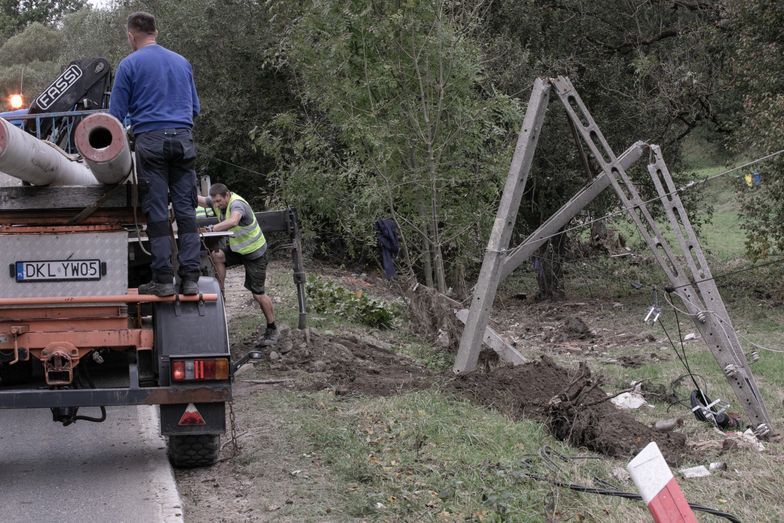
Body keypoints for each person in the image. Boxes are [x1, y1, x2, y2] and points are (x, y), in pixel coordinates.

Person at [109, 11, 202, 297]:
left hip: (151, 143)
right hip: (183, 140)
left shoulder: (129, 65)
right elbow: (195, 110)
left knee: (158, 214)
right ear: (156, 32)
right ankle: (190, 280)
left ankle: (163, 280)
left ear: (130, 35)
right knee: (186, 211)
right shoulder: (182, 62)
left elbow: (114, 118)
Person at [198, 184, 278, 346]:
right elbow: (200, 200)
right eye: (214, 202)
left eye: (219, 201)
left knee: (258, 294)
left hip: (255, 254)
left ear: (227, 195)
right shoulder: (218, 201)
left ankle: (272, 328)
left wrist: (210, 229)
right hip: (239, 250)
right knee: (217, 255)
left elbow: (234, 220)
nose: (217, 204)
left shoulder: (237, 204)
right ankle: (221, 293)